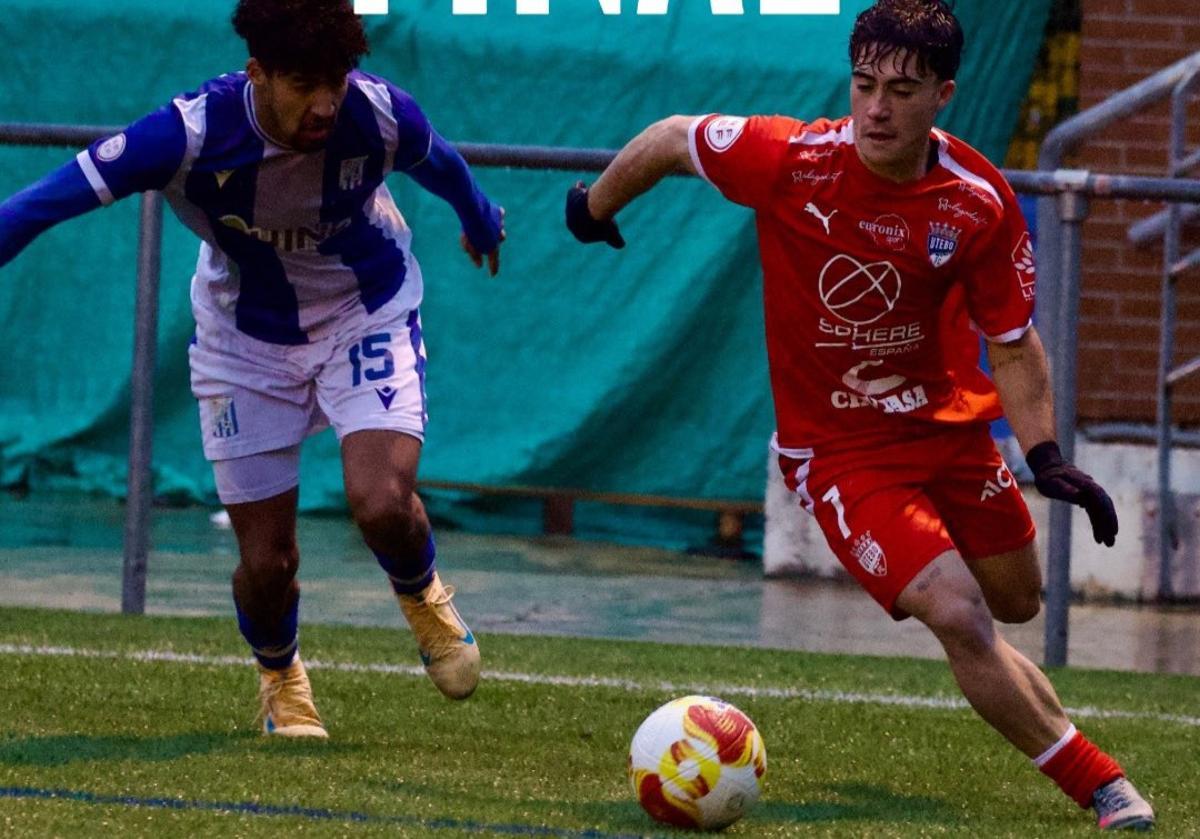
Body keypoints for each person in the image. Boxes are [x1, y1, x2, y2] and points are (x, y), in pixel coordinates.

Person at [565, 0, 1153, 830]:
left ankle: (1037, 709)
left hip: (947, 430)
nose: (877, 108)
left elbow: (1014, 344)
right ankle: (1104, 786)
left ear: (944, 94)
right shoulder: (791, 159)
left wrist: (1046, 453)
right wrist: (594, 210)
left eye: (903, 90)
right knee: (959, 613)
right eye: (865, 84)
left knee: (1016, 600)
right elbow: (670, 137)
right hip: (839, 451)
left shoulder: (976, 202)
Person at [0, 0, 504, 737]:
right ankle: (280, 676)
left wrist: (481, 217)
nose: (326, 103)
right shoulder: (189, 133)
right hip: (245, 341)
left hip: (364, 309)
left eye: (336, 79)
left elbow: (446, 166)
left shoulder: (378, 113)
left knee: (383, 501)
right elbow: (41, 204)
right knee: (268, 563)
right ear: (257, 74)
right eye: (304, 83)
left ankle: (423, 595)